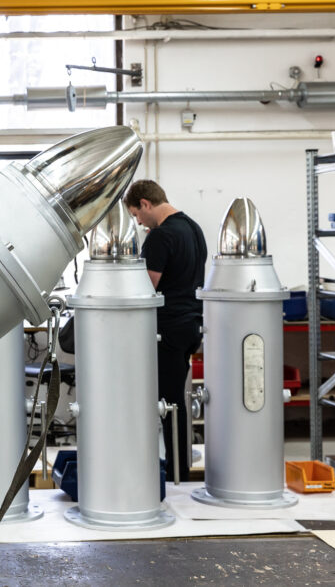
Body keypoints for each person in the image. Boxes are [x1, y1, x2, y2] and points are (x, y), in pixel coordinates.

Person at [124, 180, 207, 483]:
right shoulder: (193, 229)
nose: (137, 221)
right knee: (175, 401)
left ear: (146, 204)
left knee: (168, 404)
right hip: (192, 326)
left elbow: (146, 289)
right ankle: (177, 468)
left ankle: (176, 474)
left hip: (167, 330)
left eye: (136, 214)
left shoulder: (160, 237)